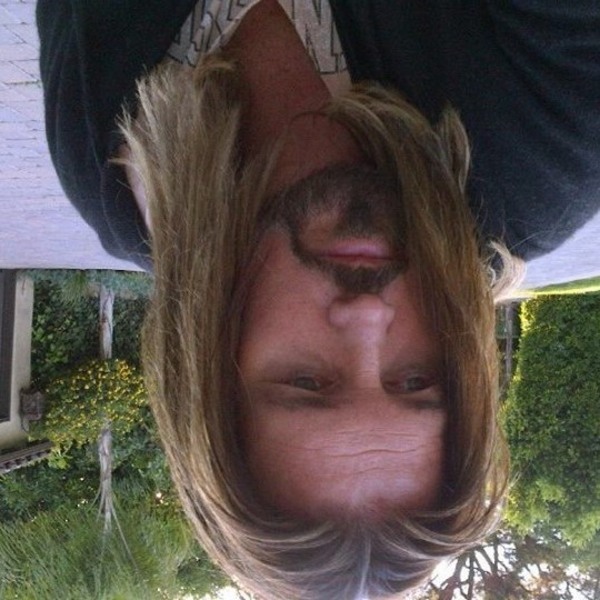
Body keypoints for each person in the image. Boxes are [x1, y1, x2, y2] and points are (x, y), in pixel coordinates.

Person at [37, 1, 600, 599]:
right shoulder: (544, 153)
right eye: (416, 379)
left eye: (306, 380)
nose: (368, 319)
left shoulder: (101, 159)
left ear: (208, 361)